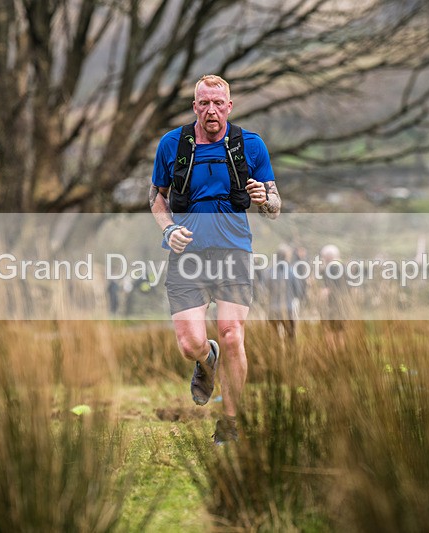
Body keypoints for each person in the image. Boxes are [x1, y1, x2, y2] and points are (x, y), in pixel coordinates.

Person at [148, 75, 281, 444]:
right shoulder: (172, 144)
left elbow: (274, 206)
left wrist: (263, 198)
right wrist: (168, 230)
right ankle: (207, 359)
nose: (211, 110)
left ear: (229, 106)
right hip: (186, 255)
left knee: (232, 333)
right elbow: (157, 197)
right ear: (195, 107)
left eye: (218, 103)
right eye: (204, 103)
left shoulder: (250, 145)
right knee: (190, 344)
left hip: (234, 252)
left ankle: (230, 423)